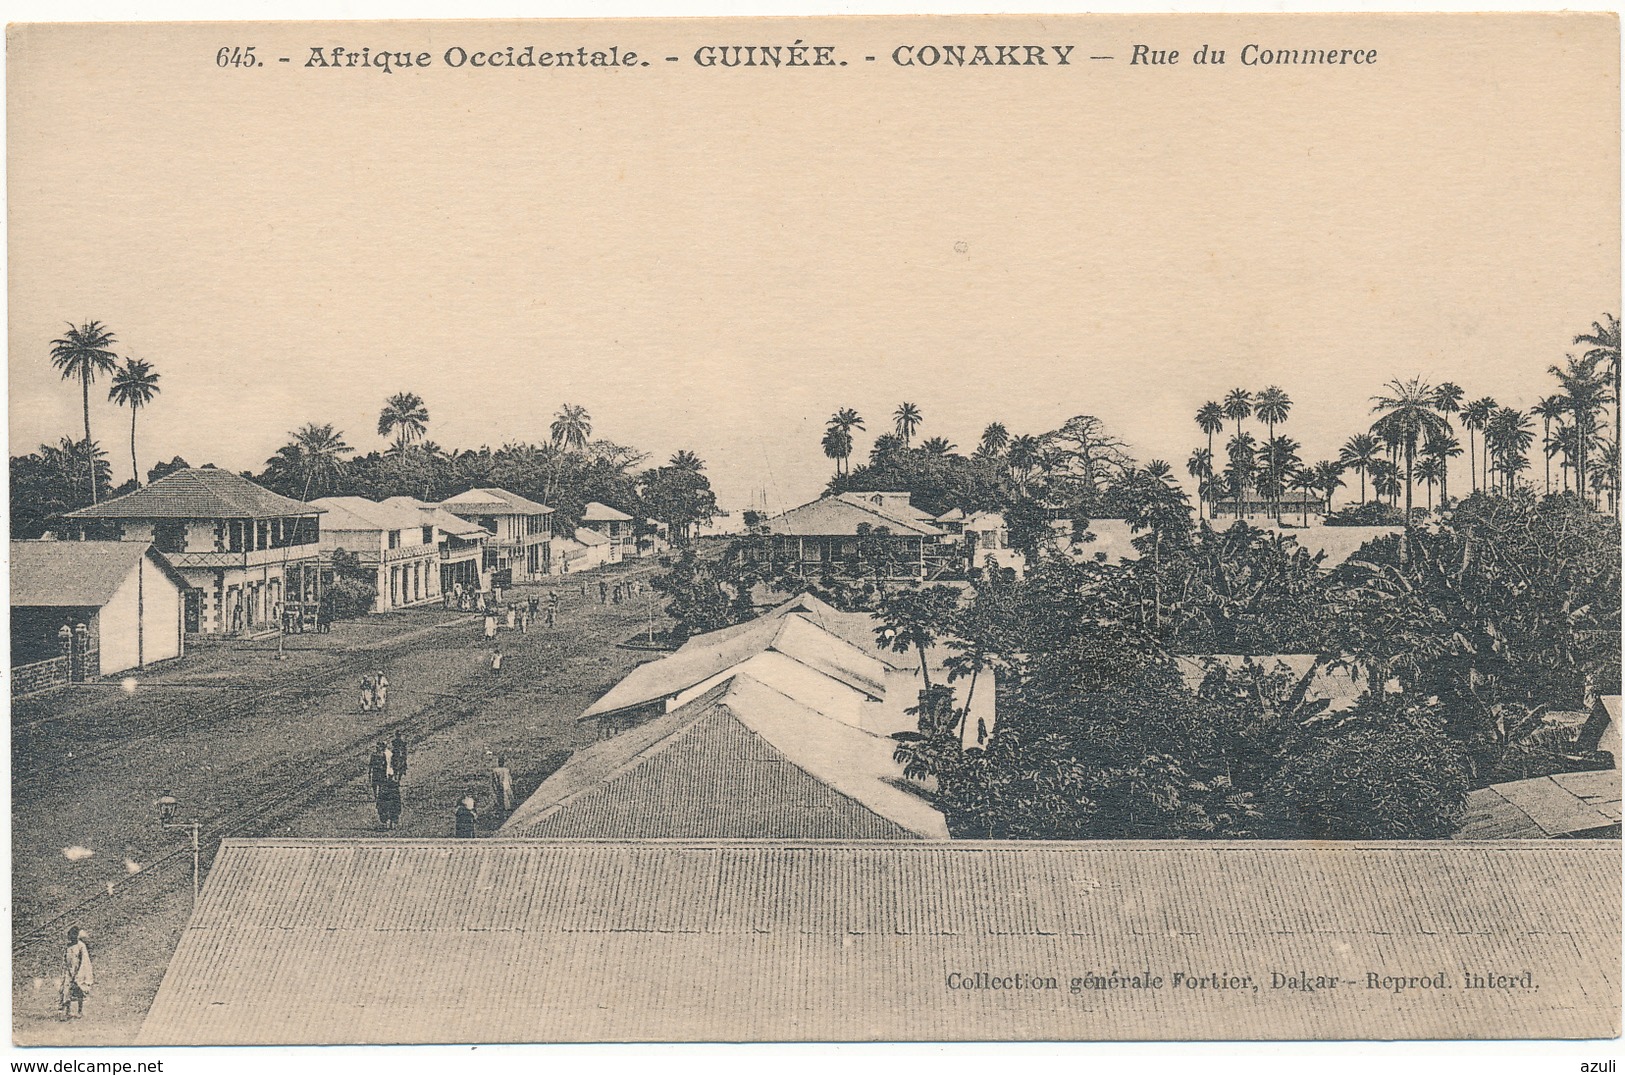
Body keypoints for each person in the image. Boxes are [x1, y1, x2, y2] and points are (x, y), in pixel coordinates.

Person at [58, 927, 93, 1020]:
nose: (71, 938)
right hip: (69, 972)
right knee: (66, 990)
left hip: (78, 971)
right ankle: (67, 1012)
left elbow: (84, 960)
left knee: (79, 991)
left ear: (76, 936)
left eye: (73, 936)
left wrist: (79, 974)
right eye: (70, 936)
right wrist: (65, 971)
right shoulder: (68, 946)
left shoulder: (81, 946)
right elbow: (65, 959)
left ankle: (79, 1011)